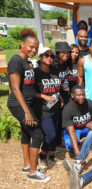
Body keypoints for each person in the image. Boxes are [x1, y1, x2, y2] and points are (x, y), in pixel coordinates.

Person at [7, 29, 50, 181]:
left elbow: (27, 86)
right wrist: (26, 111)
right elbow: (15, 89)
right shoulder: (16, 61)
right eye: (30, 47)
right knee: (38, 134)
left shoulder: (26, 62)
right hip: (19, 105)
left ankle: (27, 165)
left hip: (27, 104)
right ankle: (33, 172)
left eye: (36, 48)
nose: (33, 50)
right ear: (22, 44)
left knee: (26, 133)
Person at [33, 46, 63, 167]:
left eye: (51, 56)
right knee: (50, 134)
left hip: (55, 107)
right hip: (43, 109)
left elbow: (56, 88)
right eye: (46, 55)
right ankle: (42, 153)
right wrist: (44, 97)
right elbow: (30, 92)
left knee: (55, 133)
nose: (49, 58)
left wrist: (60, 97)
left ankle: (50, 155)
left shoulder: (54, 71)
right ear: (40, 57)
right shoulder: (36, 73)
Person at [62, 85, 92, 158]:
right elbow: (71, 132)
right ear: (72, 95)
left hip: (88, 127)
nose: (82, 97)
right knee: (69, 143)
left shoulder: (90, 103)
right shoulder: (67, 110)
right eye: (79, 95)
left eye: (83, 95)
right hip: (75, 130)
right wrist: (77, 151)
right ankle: (72, 150)